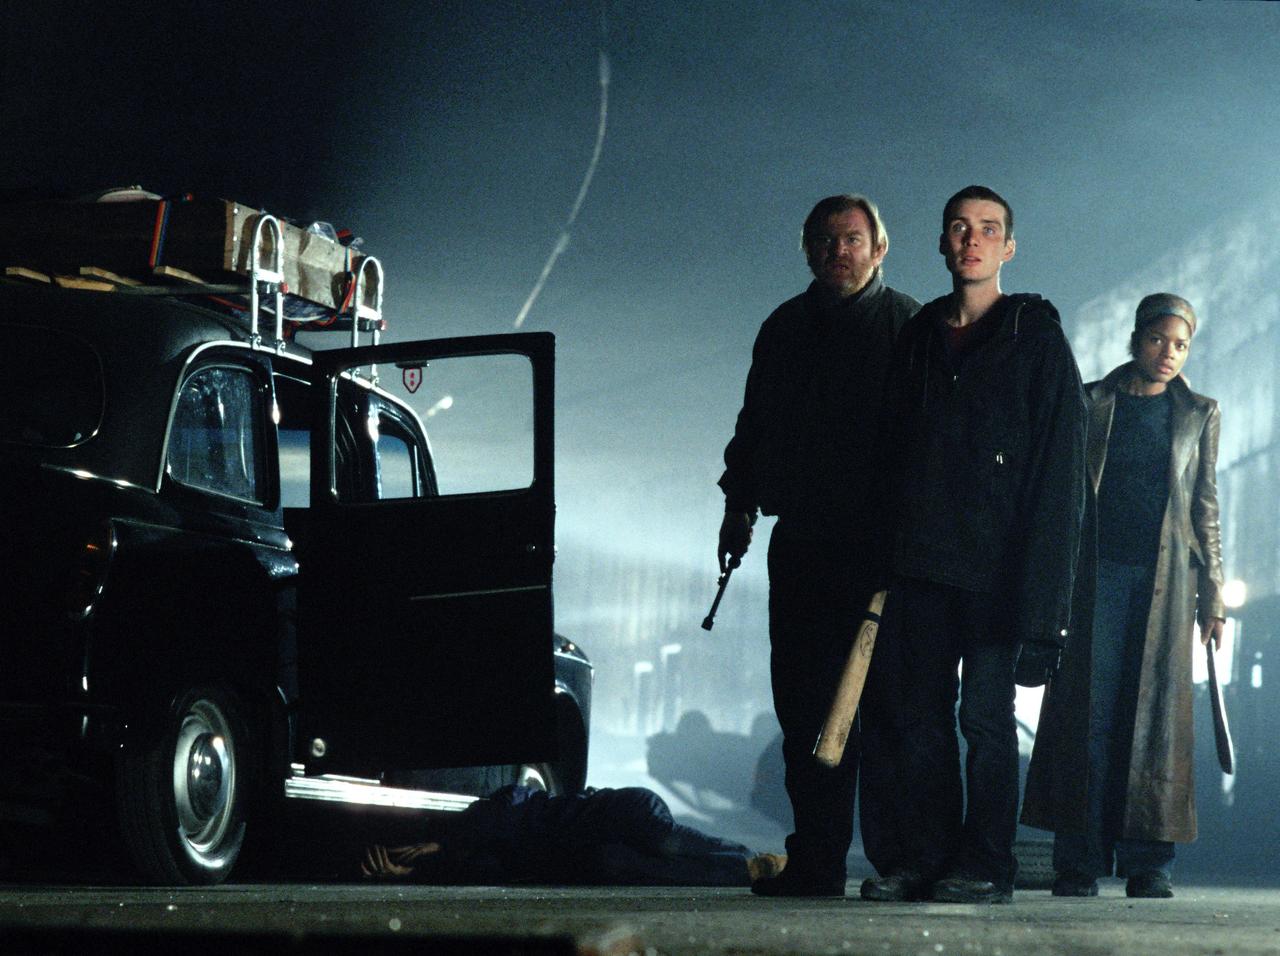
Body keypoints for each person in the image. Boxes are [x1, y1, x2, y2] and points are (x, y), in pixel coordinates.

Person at [858, 185, 1087, 904]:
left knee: (985, 721)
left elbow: (1060, 473)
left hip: (997, 569)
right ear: (942, 243)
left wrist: (1046, 604)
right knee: (919, 720)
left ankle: (987, 864)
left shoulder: (1036, 340)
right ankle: (925, 859)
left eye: (988, 229)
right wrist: (883, 555)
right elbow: (888, 454)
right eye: (960, 228)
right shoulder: (921, 336)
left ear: (1008, 248)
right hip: (922, 563)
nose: (972, 240)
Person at [717, 194, 919, 897]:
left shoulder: (909, 327)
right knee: (803, 705)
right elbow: (754, 423)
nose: (839, 251)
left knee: (885, 710)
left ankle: (898, 863)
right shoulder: (784, 328)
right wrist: (738, 505)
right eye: (826, 240)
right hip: (803, 538)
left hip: (880, 547)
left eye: (852, 239)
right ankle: (818, 861)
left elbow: (928, 441)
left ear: (879, 249)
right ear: (807, 250)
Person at [1021, 293, 1225, 900]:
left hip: (1167, 583)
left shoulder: (1199, 413)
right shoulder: (1090, 402)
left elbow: (1206, 508)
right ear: (1136, 339)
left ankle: (1148, 863)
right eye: (1158, 340)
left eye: (1181, 345)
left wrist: (1213, 595)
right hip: (1095, 578)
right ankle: (1077, 862)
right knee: (1087, 713)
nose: (1169, 354)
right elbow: (1061, 497)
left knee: (1156, 718)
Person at [358, 784, 786, 886]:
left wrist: (448, 839)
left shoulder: (498, 812)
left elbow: (511, 803)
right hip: (597, 849)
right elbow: (479, 869)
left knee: (662, 840)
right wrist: (410, 874)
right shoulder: (493, 859)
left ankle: (751, 857)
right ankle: (745, 870)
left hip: (619, 811)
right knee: (621, 864)